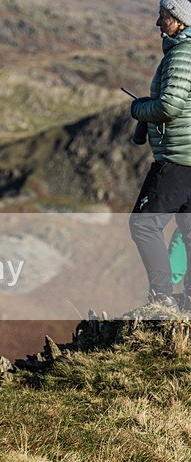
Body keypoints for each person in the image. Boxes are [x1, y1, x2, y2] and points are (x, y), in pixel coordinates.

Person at [130, 0, 191, 309]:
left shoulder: (183, 54)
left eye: (163, 16)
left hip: (178, 159)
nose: (157, 23)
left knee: (143, 224)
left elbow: (170, 106)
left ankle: (162, 298)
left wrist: (138, 108)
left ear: (179, 20)